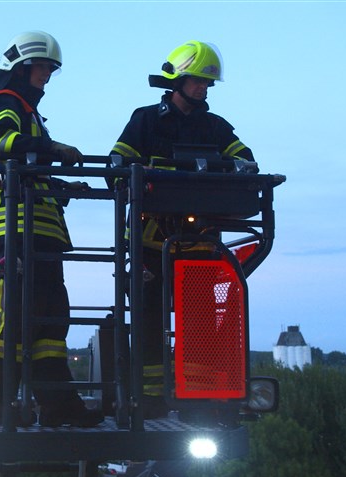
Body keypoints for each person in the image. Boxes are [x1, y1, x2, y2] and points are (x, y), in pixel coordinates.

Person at [109, 40, 255, 418]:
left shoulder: (215, 127)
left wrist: (235, 170)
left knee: (201, 325)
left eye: (208, 84)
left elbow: (245, 160)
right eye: (198, 82)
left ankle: (198, 400)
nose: (204, 89)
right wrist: (135, 175)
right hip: (149, 242)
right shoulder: (145, 120)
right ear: (178, 81)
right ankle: (149, 400)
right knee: (148, 320)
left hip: (200, 244)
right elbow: (117, 164)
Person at [0, 30, 103, 428]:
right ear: (21, 68)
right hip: (16, 227)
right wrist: (53, 148)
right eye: (41, 68)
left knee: (50, 322)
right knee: (14, 315)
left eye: (50, 69)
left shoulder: (30, 114)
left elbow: (31, 169)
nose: (46, 76)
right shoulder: (5, 102)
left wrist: (62, 185)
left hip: (42, 231)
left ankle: (58, 405)